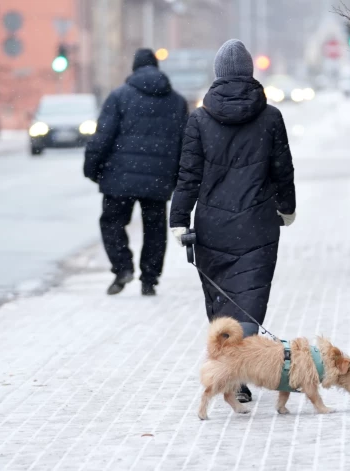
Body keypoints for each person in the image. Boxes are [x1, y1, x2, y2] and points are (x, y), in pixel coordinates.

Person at [169, 39, 296, 402]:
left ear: (218, 74)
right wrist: (286, 208)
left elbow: (187, 175)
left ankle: (233, 374)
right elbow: (283, 169)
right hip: (258, 225)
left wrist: (179, 219)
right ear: (250, 73)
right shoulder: (270, 117)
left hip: (213, 227)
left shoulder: (199, 119)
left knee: (221, 305)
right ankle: (238, 371)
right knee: (250, 302)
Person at [84, 48, 188, 296]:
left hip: (119, 177)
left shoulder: (119, 96)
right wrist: (179, 177)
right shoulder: (176, 101)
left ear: (134, 68)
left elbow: (103, 137)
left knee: (112, 222)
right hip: (159, 177)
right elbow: (185, 144)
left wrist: (91, 167)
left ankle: (122, 268)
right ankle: (149, 280)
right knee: (155, 229)